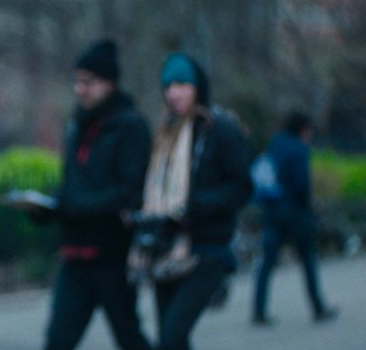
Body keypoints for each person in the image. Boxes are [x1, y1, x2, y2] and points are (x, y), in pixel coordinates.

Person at [32, 39, 152, 350]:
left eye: (89, 82)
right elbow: (72, 186)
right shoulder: (77, 127)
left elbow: (130, 191)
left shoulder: (131, 128)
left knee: (129, 336)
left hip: (113, 256)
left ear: (109, 83)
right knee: (58, 340)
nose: (80, 89)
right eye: (77, 82)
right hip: (74, 256)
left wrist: (76, 206)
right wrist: (49, 208)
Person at [142, 53, 253, 350]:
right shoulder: (165, 132)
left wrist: (195, 205)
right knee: (172, 339)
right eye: (168, 86)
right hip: (166, 249)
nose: (173, 93)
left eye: (181, 84)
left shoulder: (221, 129)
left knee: (171, 337)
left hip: (207, 250)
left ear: (197, 88)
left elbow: (241, 187)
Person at [252, 111, 339, 326]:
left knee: (267, 262)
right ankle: (318, 306)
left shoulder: (275, 144)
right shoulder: (299, 149)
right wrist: (310, 207)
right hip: (295, 214)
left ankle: (258, 310)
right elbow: (302, 185)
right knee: (307, 259)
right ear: (303, 129)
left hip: (272, 211)